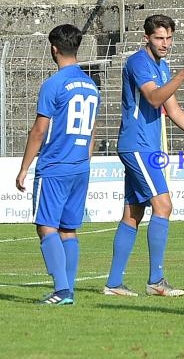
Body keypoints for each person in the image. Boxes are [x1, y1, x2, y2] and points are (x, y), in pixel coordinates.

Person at [103, 14, 184, 297]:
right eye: (159, 38)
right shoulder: (138, 62)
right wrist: (183, 75)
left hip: (147, 146)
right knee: (163, 205)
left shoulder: (162, 66)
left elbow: (174, 110)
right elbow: (154, 98)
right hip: (137, 145)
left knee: (133, 212)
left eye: (168, 38)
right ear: (146, 38)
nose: (165, 43)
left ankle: (113, 284)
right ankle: (156, 280)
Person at [15, 24, 100, 304]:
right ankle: (68, 289)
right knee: (68, 228)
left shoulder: (53, 84)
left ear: (54, 49)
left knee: (46, 226)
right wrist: (84, 158)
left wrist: (25, 167)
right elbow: (93, 130)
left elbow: (39, 130)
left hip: (55, 165)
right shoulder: (90, 84)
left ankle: (62, 290)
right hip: (80, 166)